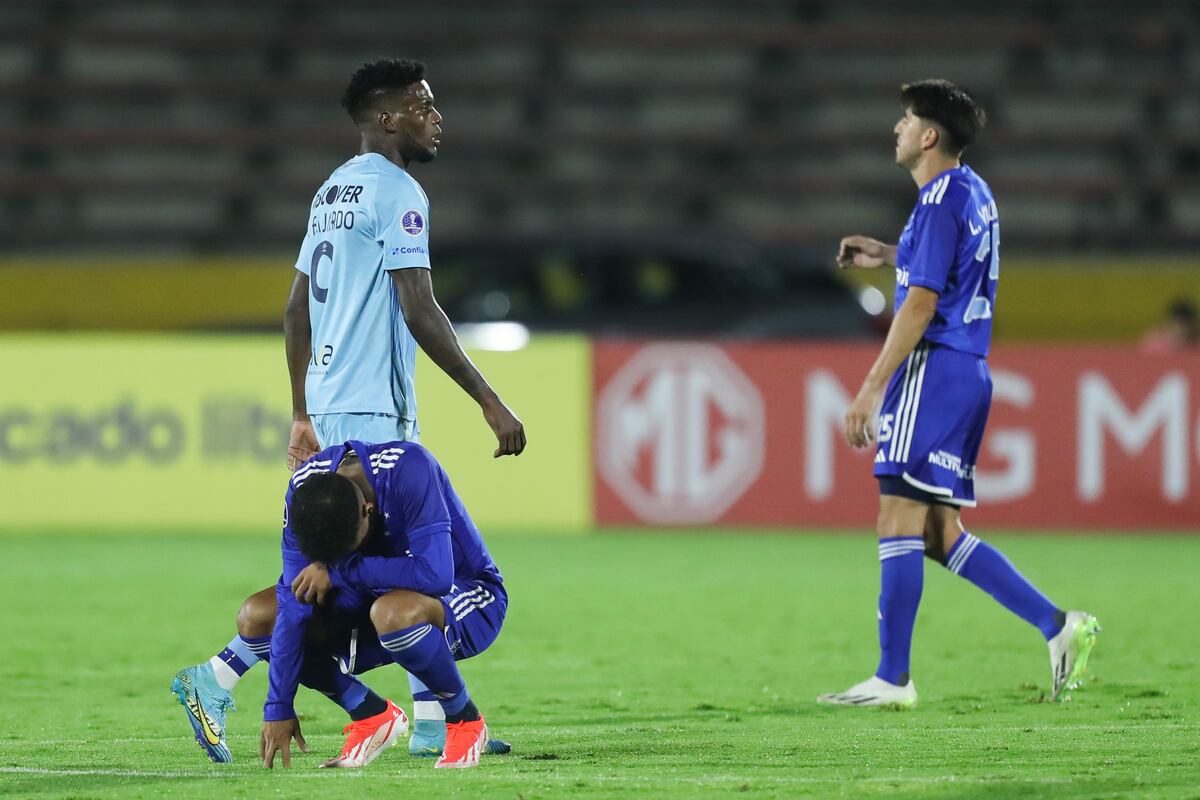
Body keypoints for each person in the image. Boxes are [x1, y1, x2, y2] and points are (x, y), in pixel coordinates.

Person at [173, 58, 519, 761]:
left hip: (329, 408)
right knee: (398, 569)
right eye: (423, 105)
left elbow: (296, 304)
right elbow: (418, 306)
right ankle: (225, 673)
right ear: (388, 118)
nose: (436, 116)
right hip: (370, 410)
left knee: (339, 572)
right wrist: (488, 397)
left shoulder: (330, 191)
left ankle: (410, 723)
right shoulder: (399, 193)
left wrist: (302, 409)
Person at [819, 80, 1099, 708]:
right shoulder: (973, 193)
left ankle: (893, 679)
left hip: (933, 367)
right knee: (938, 534)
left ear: (928, 136)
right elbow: (947, 265)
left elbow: (922, 301)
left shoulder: (939, 198)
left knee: (897, 515)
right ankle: (1060, 626)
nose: (896, 129)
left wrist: (870, 387)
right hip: (968, 370)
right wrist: (889, 253)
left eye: (906, 120)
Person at [175, 440, 506, 770]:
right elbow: (294, 605)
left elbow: (436, 574)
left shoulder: (409, 468)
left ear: (368, 510)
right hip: (372, 599)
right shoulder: (304, 490)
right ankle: (371, 715)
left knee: (391, 613)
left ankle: (465, 721)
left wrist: (340, 570)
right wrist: (278, 706)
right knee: (259, 617)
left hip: (465, 595)